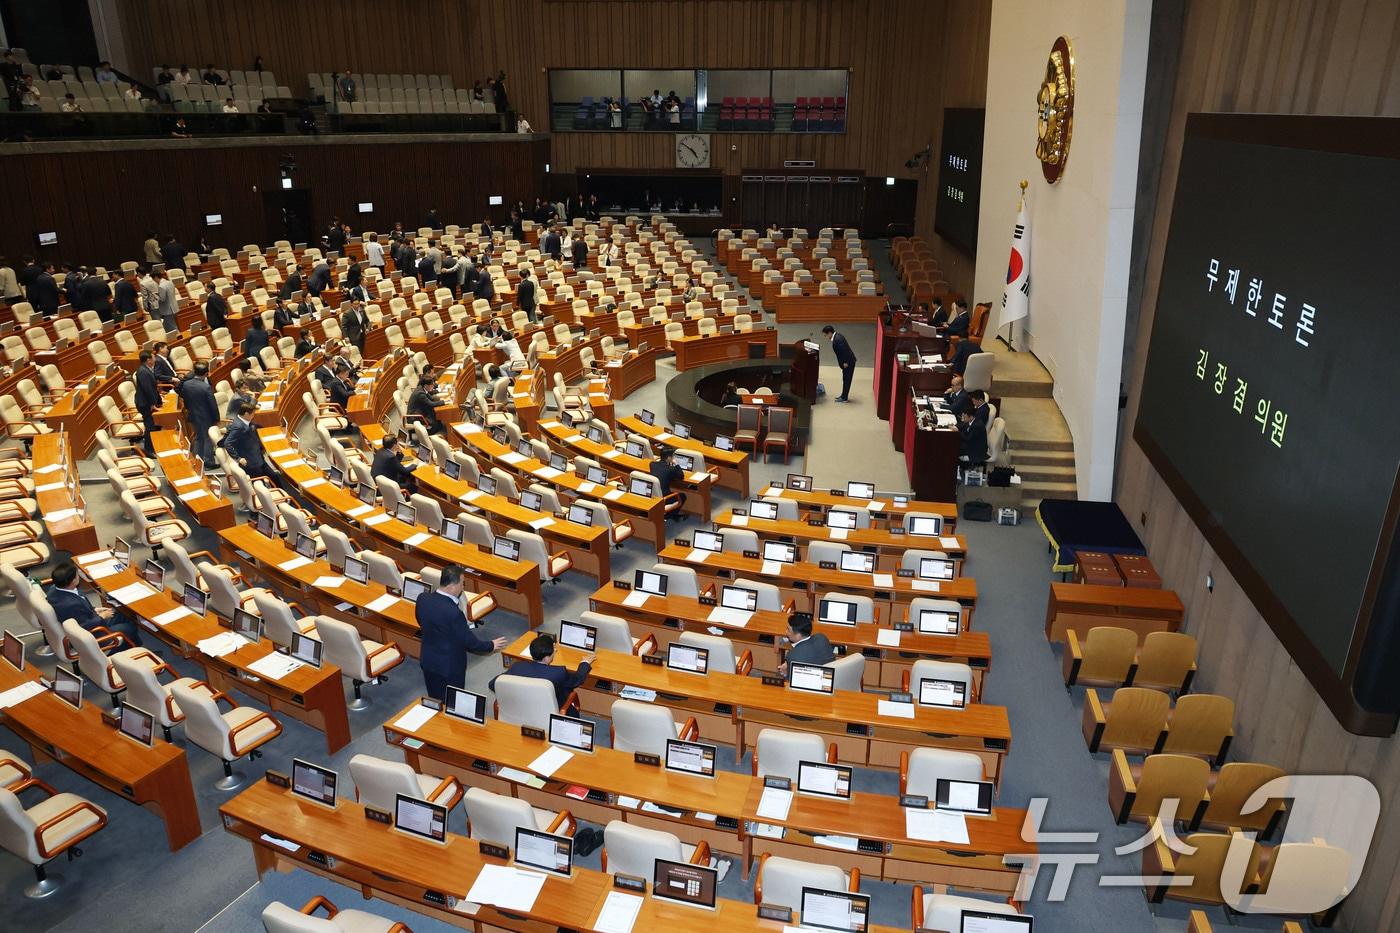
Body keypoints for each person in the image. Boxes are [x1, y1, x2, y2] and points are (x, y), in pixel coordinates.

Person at [415, 564, 507, 700]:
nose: (463, 587)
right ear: (452, 586)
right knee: (453, 700)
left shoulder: (423, 598)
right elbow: (469, 641)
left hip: (428, 659)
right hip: (449, 666)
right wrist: (491, 645)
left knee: (435, 697)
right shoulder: (454, 613)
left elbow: (420, 620)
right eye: (462, 584)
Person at [47, 563, 143, 647]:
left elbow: (80, 610)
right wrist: (101, 617)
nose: (79, 577)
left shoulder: (54, 589)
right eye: (77, 575)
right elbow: (82, 627)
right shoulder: (70, 604)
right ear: (73, 581)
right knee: (130, 627)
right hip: (93, 634)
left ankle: (132, 643)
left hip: (89, 616)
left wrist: (95, 609)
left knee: (123, 614)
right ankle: (125, 648)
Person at [490, 634, 592, 710]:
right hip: (551, 711)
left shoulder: (517, 667)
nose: (555, 652)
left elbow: (492, 684)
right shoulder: (558, 672)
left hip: (520, 708)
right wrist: (585, 662)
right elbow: (578, 679)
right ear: (547, 658)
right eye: (554, 651)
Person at [178, 362, 219, 465]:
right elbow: (212, 405)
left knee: (199, 437)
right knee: (207, 438)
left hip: (193, 415)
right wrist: (216, 419)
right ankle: (209, 462)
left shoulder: (186, 384)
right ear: (206, 373)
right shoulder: (206, 387)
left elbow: (183, 396)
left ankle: (197, 459)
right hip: (205, 417)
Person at [221, 402, 269, 477]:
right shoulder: (239, 426)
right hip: (251, 461)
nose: (253, 416)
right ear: (246, 414)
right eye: (253, 414)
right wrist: (238, 458)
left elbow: (253, 426)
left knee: (273, 476)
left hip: (257, 456)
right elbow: (227, 443)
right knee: (261, 479)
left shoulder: (242, 420)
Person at [134, 350, 161, 455]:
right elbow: (148, 389)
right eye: (153, 357)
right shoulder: (143, 372)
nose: (155, 359)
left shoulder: (147, 369)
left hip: (147, 402)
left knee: (153, 425)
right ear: (148, 360)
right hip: (145, 404)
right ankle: (149, 450)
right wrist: (152, 404)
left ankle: (153, 446)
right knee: (150, 426)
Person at [822, 324, 857, 403]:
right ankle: (843, 395)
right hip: (846, 362)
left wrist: (845, 362)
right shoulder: (837, 336)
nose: (825, 337)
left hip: (848, 362)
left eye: (825, 335)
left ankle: (844, 398)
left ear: (830, 333)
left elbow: (844, 352)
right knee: (845, 379)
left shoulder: (838, 339)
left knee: (847, 380)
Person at [648, 446, 686, 518]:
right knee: (683, 496)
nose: (674, 458)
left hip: (653, 494)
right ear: (669, 458)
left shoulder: (652, 464)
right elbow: (681, 475)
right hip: (664, 497)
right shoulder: (670, 469)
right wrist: (676, 464)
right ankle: (669, 516)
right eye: (673, 456)